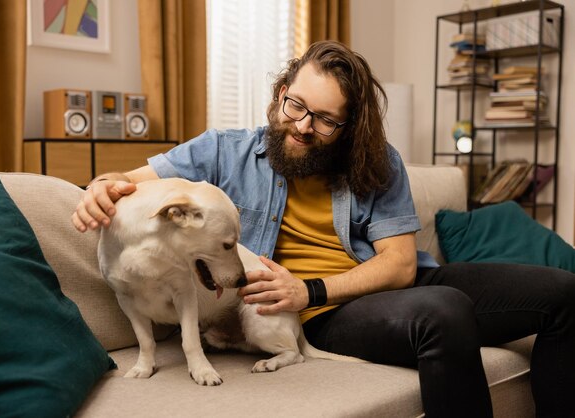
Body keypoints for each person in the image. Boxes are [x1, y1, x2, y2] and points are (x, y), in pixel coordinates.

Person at [72, 40, 575, 418]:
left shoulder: (377, 162)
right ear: (282, 92)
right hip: (321, 315)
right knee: (442, 312)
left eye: (326, 120)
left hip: (371, 286)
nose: (304, 125)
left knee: (564, 292)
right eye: (297, 106)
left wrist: (308, 285)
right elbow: (125, 182)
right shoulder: (223, 149)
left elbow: (400, 265)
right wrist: (100, 187)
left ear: (349, 127)